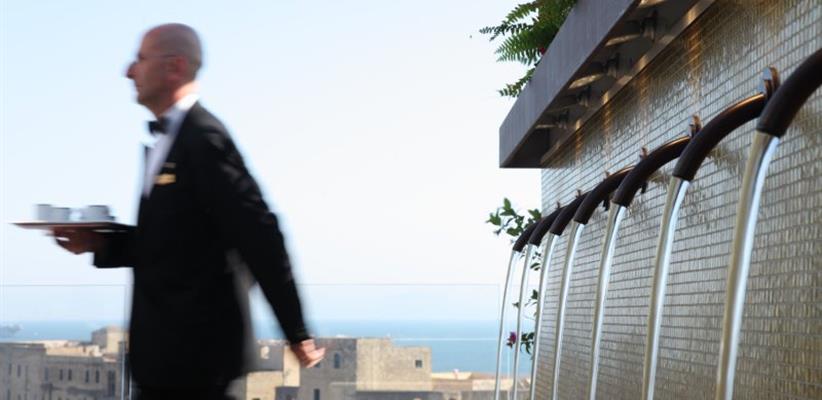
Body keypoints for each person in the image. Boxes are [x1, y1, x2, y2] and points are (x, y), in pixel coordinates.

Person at [53, 23, 325, 399]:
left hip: (196, 361)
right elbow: (175, 244)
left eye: (140, 59)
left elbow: (259, 232)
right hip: (165, 362)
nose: (128, 71)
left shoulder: (204, 138)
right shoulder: (171, 140)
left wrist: (296, 331)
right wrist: (101, 243)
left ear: (174, 67)